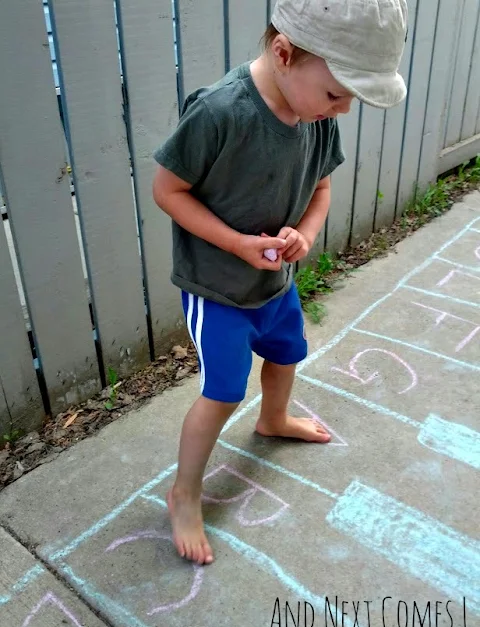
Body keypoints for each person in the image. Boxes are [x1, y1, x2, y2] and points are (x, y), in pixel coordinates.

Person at [152, 0, 408, 565]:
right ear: (284, 53)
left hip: (275, 283)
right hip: (217, 288)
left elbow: (320, 190)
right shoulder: (220, 112)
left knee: (287, 352)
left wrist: (307, 234)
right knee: (222, 391)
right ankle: (184, 492)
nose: (341, 110)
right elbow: (167, 191)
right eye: (337, 93)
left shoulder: (312, 117)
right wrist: (237, 244)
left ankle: (272, 418)